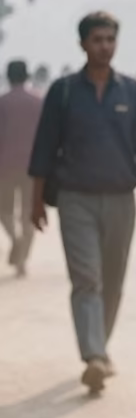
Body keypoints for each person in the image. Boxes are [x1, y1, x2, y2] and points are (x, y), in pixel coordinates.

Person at [28, 11, 136, 394]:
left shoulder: (132, 92)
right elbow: (43, 150)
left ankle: (99, 347)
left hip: (121, 198)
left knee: (113, 279)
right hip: (75, 200)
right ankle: (94, 355)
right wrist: (36, 202)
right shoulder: (63, 91)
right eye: (97, 39)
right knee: (86, 278)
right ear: (83, 44)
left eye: (110, 39)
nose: (104, 46)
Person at [0, 60, 43, 276]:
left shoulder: (3, 102)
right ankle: (23, 257)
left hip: (5, 166)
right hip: (33, 167)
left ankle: (15, 240)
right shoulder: (39, 101)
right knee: (28, 213)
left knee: (4, 211)